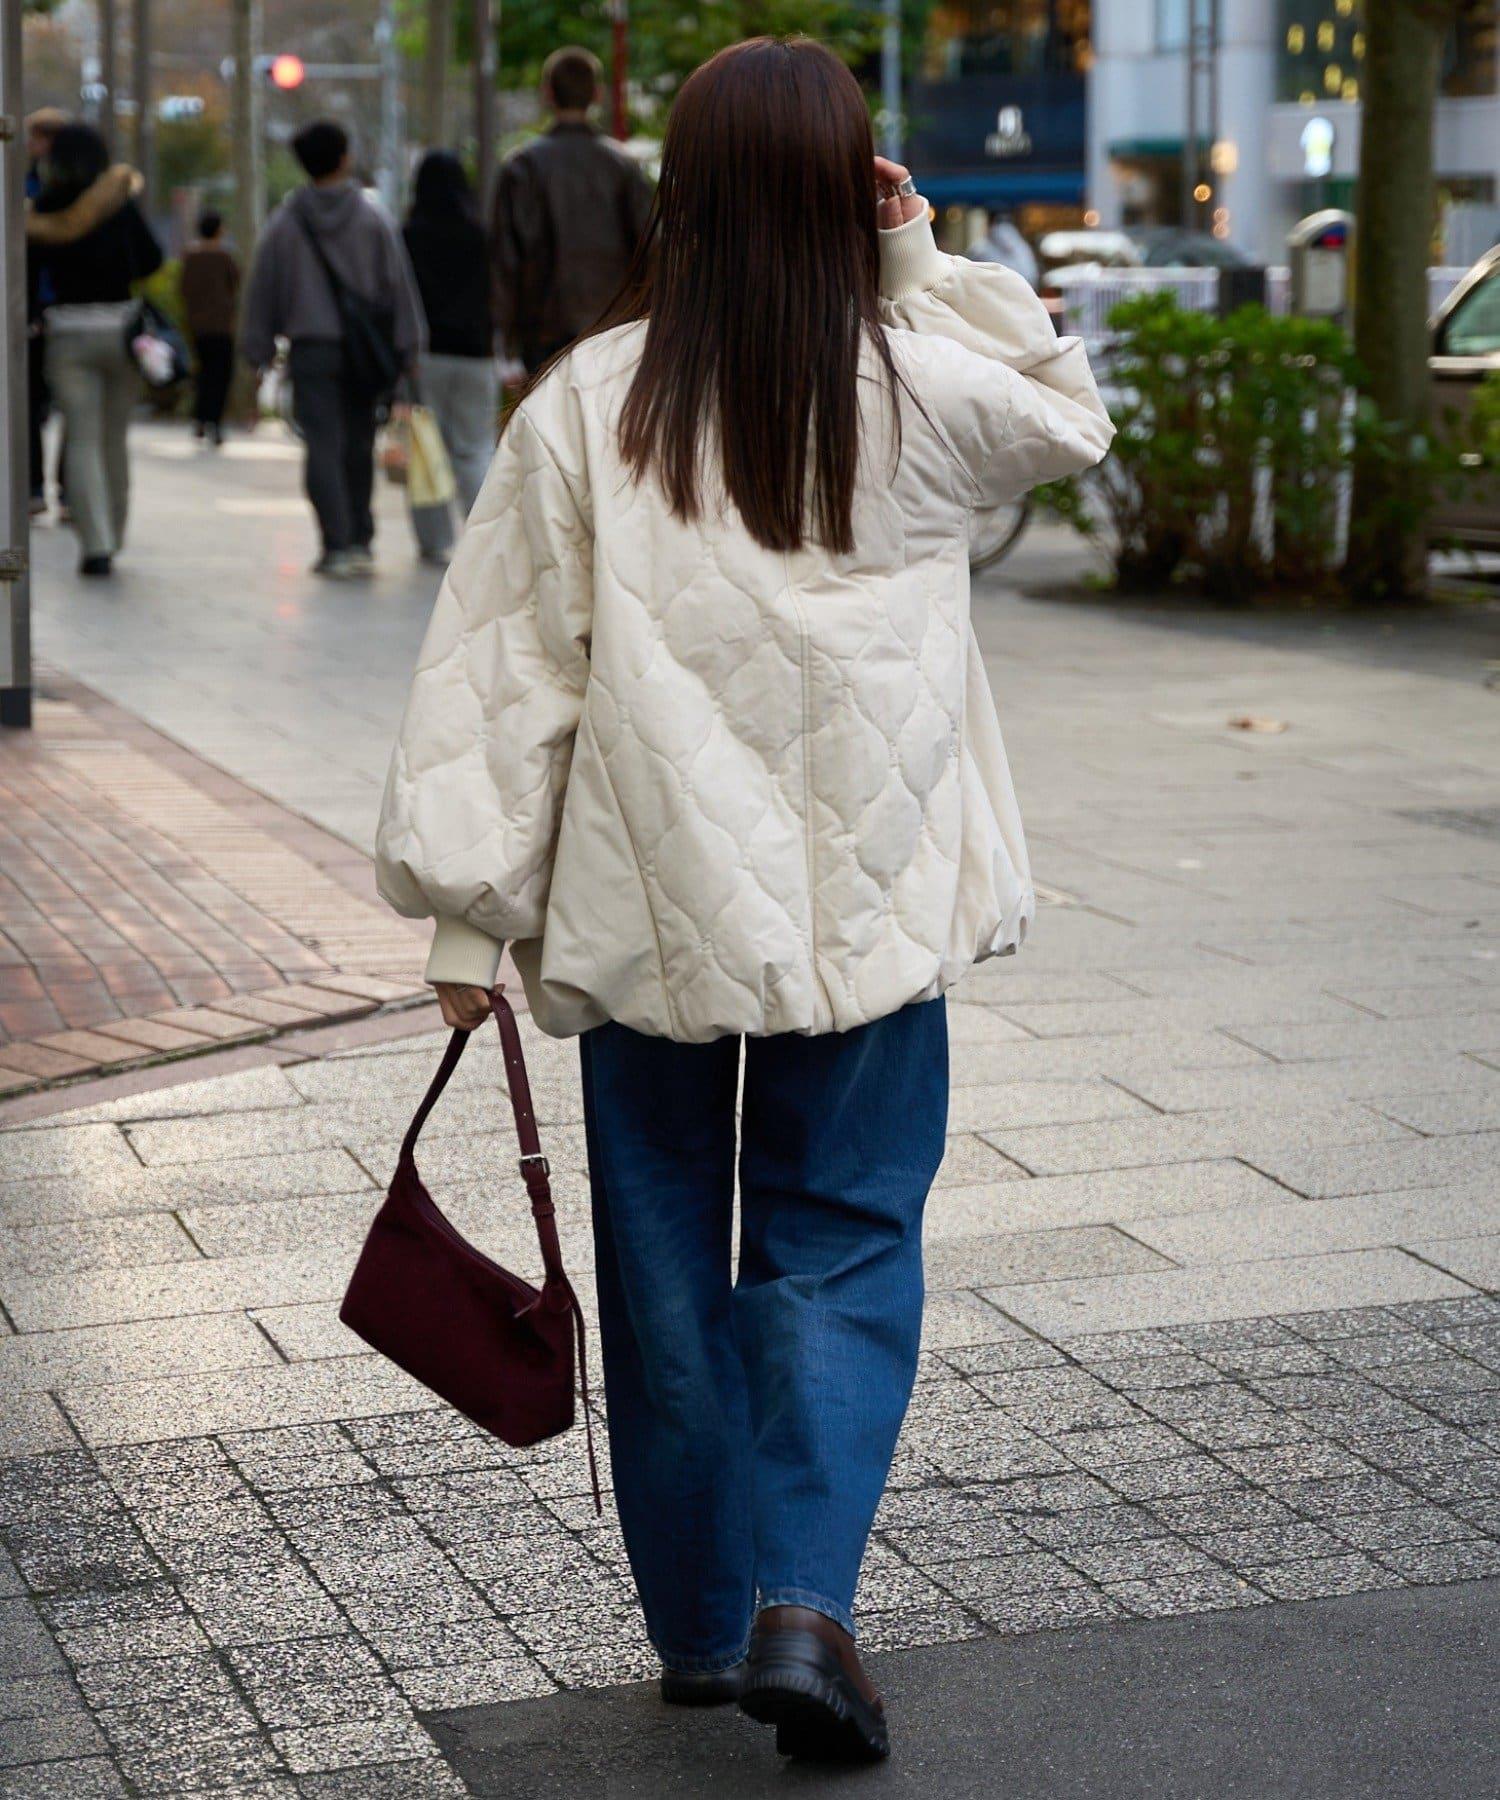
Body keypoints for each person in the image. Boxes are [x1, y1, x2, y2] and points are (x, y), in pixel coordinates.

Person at [376, 36, 1112, 1766]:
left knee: (664, 1270)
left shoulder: (592, 400)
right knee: (838, 1245)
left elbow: (511, 668)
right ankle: (805, 1602)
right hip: (869, 919)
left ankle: (708, 1628)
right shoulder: (914, 384)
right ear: (848, 189)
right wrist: (914, 258)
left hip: (650, 912)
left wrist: (469, 916)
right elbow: (1068, 418)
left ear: (682, 193)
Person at [240, 120, 425, 578]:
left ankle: (336, 543)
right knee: (360, 441)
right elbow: (398, 286)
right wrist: (409, 347)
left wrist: (257, 350)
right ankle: (361, 538)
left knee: (322, 444)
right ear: (344, 158)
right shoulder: (372, 218)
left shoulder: (285, 223)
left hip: (311, 350)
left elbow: (263, 290)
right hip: (366, 351)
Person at [26, 122, 162, 577]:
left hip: (67, 333)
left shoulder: (44, 209)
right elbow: (152, 258)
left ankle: (96, 544)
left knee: (81, 438)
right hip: (121, 331)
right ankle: (116, 532)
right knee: (114, 438)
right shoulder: (119, 204)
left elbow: (28, 272)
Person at [489, 44, 653, 372]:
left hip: (543, 330)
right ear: (597, 94)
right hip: (613, 331)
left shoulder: (523, 166)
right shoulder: (623, 166)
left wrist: (503, 340)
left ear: (548, 94)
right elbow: (651, 248)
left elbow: (505, 259)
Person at [401, 151, 499, 562]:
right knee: (475, 449)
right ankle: (488, 538)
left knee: (426, 450)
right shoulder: (481, 235)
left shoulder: (407, 236)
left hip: (425, 356)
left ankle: (434, 541)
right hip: (476, 354)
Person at [24, 108, 65, 516]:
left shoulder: (50, 189)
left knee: (60, 403)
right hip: (39, 306)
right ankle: (37, 485)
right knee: (34, 402)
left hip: (54, 304)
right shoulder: (27, 183)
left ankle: (48, 487)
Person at [179, 209, 240, 446]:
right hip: (221, 325)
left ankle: (200, 419)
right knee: (221, 374)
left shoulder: (190, 257)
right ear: (219, 230)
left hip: (197, 325)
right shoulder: (224, 257)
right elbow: (235, 283)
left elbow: (184, 289)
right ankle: (214, 421)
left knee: (203, 372)